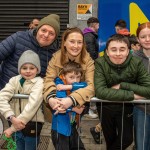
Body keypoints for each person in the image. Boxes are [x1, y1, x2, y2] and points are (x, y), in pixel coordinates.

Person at [94, 34, 150, 150]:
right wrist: (132, 95)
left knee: (127, 139)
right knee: (110, 140)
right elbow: (100, 91)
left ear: (128, 51)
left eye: (122, 49)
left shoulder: (136, 62)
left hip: (126, 107)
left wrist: (123, 85)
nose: (118, 53)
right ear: (107, 52)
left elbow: (148, 89)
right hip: (105, 107)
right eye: (113, 50)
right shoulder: (100, 63)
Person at [43, 26, 95, 129]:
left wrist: (71, 100)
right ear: (64, 43)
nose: (76, 46)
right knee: (59, 137)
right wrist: (51, 99)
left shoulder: (88, 61)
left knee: (72, 134)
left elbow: (91, 86)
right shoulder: (55, 58)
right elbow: (48, 80)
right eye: (72, 41)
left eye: (79, 42)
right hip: (57, 107)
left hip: (78, 106)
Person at [0, 13, 60, 90]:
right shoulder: (19, 38)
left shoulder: (55, 54)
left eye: (51, 33)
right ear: (38, 30)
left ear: (55, 37)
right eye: (43, 30)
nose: (46, 35)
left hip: (33, 98)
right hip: (5, 92)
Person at [0, 50, 44, 150]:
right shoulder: (14, 80)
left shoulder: (39, 82)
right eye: (24, 68)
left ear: (37, 69)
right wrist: (10, 116)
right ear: (19, 69)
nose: (28, 71)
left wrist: (12, 128)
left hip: (32, 125)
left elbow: (32, 105)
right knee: (17, 147)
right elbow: (1, 97)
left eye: (32, 68)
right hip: (14, 122)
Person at [51, 61, 87, 150]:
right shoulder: (59, 84)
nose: (75, 81)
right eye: (71, 77)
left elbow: (86, 85)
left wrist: (68, 87)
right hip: (60, 129)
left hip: (71, 126)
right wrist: (75, 109)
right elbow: (60, 104)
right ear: (63, 76)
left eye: (78, 77)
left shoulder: (67, 86)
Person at [133, 22, 150, 150]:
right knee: (141, 146)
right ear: (138, 39)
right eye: (143, 37)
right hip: (141, 109)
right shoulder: (133, 58)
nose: (147, 39)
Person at [83, 17, 99, 119]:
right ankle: (88, 109)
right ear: (93, 25)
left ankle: (90, 107)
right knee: (89, 85)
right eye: (98, 25)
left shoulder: (89, 35)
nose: (99, 27)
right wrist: (95, 63)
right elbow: (91, 52)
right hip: (90, 65)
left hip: (90, 64)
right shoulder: (89, 36)